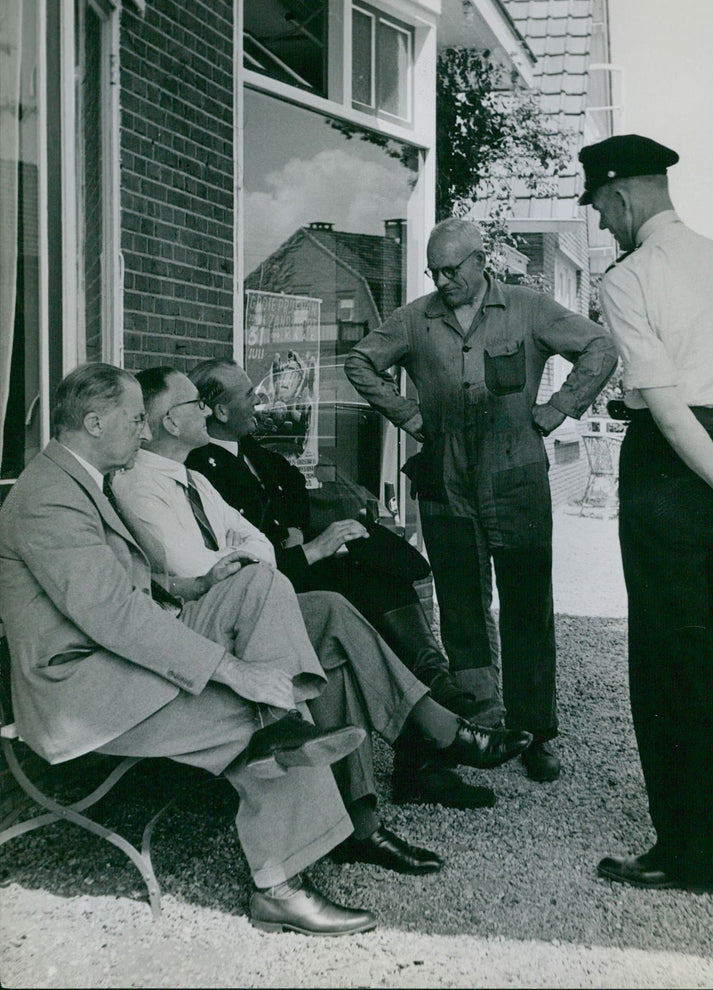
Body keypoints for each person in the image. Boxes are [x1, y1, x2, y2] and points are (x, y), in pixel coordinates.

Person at [0, 363, 376, 937]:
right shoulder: (48, 498)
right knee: (244, 710)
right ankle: (279, 885)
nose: (145, 433)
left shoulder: (84, 480)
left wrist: (190, 588)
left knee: (259, 583)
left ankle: (286, 723)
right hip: (80, 688)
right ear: (94, 422)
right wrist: (233, 670)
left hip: (119, 655)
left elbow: (128, 586)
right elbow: (112, 615)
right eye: (135, 421)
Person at [112, 367, 533, 862]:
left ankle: (369, 815)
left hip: (252, 602)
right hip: (207, 632)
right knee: (340, 631)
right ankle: (434, 738)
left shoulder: (194, 479)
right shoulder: (140, 487)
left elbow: (259, 544)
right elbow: (192, 568)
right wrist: (245, 556)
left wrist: (245, 552)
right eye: (193, 405)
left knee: (337, 616)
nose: (204, 409)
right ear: (168, 423)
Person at [581, 133, 713, 893]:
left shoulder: (632, 278)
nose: (605, 226)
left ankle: (692, 853)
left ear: (620, 197)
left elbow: (667, 408)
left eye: (603, 211)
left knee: (673, 662)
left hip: (674, 476)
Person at [345, 219, 618, 782]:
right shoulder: (415, 319)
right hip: (446, 484)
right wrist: (409, 415)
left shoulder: (529, 307)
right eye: (435, 271)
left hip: (517, 484)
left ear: (479, 261)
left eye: (452, 269)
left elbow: (599, 346)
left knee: (527, 608)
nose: (443, 280)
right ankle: (483, 719)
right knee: (462, 605)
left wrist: (561, 407)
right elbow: (360, 363)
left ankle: (538, 731)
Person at [185, 358, 497, 810]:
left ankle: (434, 690)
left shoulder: (250, 449)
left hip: (290, 566)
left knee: (381, 576)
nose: (260, 401)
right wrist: (300, 544)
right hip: (263, 591)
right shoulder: (200, 465)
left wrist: (291, 526)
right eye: (248, 395)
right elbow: (239, 554)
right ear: (218, 410)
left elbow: (291, 485)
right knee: (365, 594)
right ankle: (429, 744)